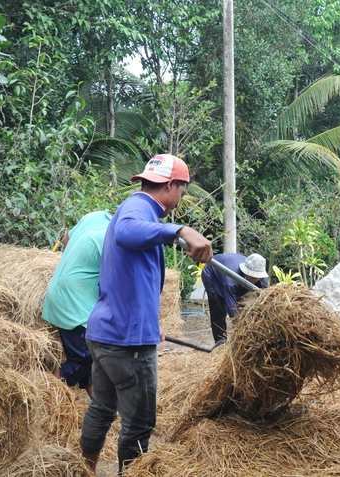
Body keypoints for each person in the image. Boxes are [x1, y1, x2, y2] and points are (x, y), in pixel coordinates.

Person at [79, 154, 213, 475]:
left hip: (105, 333)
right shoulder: (138, 210)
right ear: (170, 185)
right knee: (139, 424)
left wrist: (151, 323)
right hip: (128, 344)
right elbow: (127, 232)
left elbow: (132, 277)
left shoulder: (139, 211)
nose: (182, 197)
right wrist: (181, 229)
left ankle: (85, 469)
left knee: (102, 408)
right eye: (183, 189)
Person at [42, 209, 113, 399]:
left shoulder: (94, 216)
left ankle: (100, 408)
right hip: (76, 302)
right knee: (85, 356)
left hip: (60, 290)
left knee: (88, 358)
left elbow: (66, 241)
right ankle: (43, 397)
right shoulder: (115, 234)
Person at [201, 253, 269, 344]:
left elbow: (266, 299)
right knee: (219, 309)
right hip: (212, 274)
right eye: (253, 277)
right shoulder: (231, 282)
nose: (256, 279)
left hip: (231, 277)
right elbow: (232, 309)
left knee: (242, 308)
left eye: (258, 277)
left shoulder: (262, 279)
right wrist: (241, 331)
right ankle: (220, 341)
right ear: (246, 272)